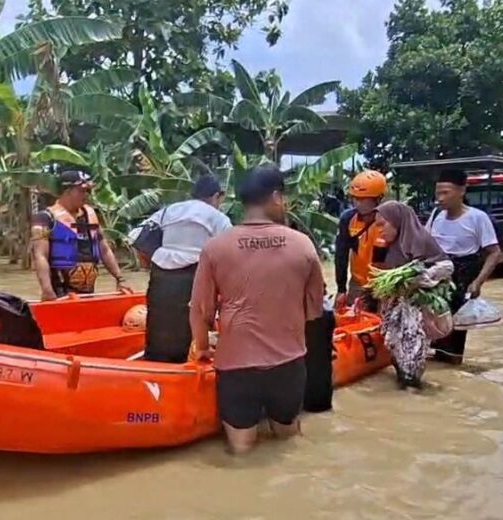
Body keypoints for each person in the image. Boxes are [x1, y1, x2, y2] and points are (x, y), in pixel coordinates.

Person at [189, 165, 325, 455]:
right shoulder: (303, 245)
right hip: (288, 363)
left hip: (236, 365)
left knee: (241, 452)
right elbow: (315, 312)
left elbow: (201, 310)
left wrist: (202, 347)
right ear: (276, 197)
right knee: (289, 442)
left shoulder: (216, 247)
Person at [135, 175, 232, 363]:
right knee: (195, 324)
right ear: (217, 196)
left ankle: (156, 365)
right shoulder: (219, 218)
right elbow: (229, 254)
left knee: (158, 321)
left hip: (161, 275)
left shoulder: (169, 211)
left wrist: (152, 263)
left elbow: (140, 240)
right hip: (195, 275)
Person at [371, 201, 453, 390]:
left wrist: (424, 277)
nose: (380, 231)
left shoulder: (420, 240)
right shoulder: (391, 246)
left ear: (398, 221)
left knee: (412, 350)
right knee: (394, 345)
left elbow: (447, 266)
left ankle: (412, 390)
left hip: (417, 307)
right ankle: (405, 385)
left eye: (383, 225)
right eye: (377, 226)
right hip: (396, 305)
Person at [425, 169, 502, 365]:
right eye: (437, 194)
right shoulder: (436, 215)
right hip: (438, 273)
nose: (440, 199)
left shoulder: (477, 218)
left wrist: (478, 282)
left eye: (445, 193)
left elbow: (494, 253)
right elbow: (424, 243)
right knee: (434, 319)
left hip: (463, 274)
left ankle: (451, 363)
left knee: (456, 325)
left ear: (461, 191)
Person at [31, 170, 131, 301]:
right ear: (67, 192)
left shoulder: (89, 215)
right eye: (82, 191)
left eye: (87, 191)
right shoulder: (45, 218)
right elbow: (40, 255)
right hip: (60, 292)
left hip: (89, 292)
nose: (86, 195)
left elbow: (104, 249)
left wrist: (120, 279)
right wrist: (47, 289)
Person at [334, 170, 387, 308]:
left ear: (378, 198)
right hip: (358, 284)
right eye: (354, 198)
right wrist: (341, 289)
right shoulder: (348, 219)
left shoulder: (391, 220)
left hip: (384, 285)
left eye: (363, 199)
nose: (357, 203)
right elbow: (341, 254)